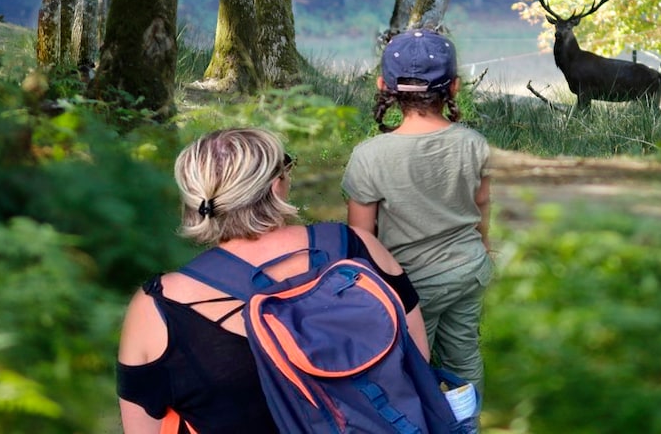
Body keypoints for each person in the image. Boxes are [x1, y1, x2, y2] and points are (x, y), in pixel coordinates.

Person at [117, 127, 428, 434]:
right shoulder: (358, 248)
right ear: (276, 184)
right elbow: (416, 357)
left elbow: (142, 427)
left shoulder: (159, 308)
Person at [342, 28, 494, 395]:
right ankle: (466, 422)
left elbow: (362, 239)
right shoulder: (474, 144)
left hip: (411, 287)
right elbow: (482, 204)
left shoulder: (370, 156)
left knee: (409, 368)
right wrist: (486, 249)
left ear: (383, 85)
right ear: (454, 87)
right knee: (463, 357)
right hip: (469, 270)